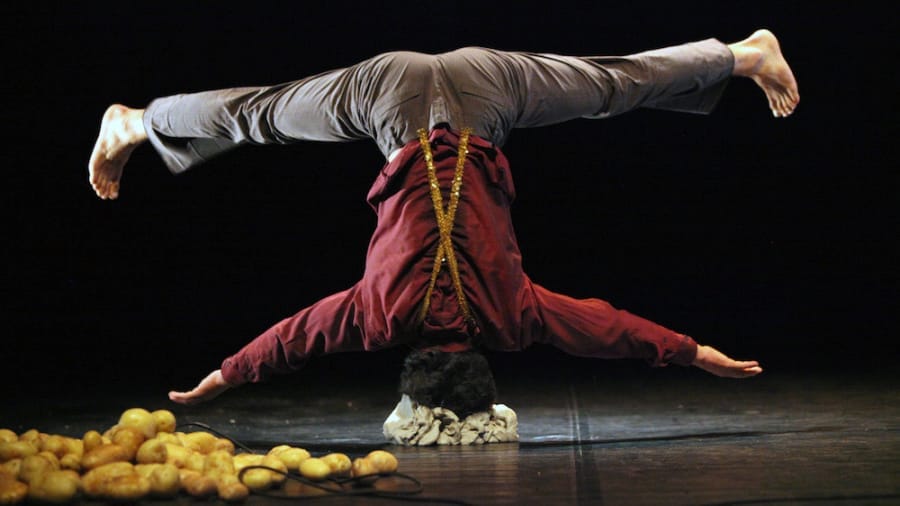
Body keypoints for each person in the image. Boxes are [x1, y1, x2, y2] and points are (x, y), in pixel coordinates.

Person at [88, 29, 798, 408]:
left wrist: (693, 351)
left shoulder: (511, 318)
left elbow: (603, 327)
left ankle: (741, 56)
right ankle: (135, 124)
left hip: (487, 87)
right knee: (260, 116)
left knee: (607, 87)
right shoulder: (379, 318)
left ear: (479, 369)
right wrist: (224, 375)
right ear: (412, 369)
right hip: (389, 97)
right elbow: (294, 338)